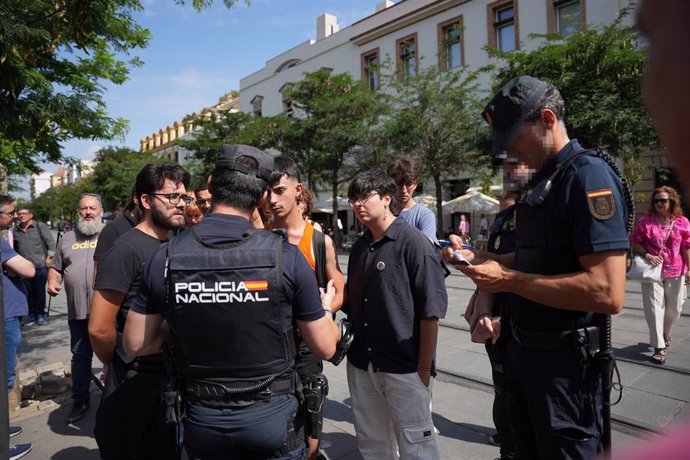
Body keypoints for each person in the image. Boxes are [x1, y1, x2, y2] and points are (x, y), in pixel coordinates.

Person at [445, 76, 630, 459]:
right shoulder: (543, 181)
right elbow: (539, 260)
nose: (508, 152)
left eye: (514, 138)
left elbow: (607, 292)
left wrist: (508, 279)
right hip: (525, 360)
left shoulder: (588, 177)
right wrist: (487, 262)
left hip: (564, 373)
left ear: (547, 119)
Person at [123, 144, 341, 459]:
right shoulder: (286, 257)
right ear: (263, 196)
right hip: (273, 418)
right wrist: (325, 309)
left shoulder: (166, 257)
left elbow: (134, 343)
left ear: (210, 185)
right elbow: (325, 347)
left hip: (203, 419)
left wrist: (186, 322)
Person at [88, 163, 191, 460]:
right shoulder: (126, 249)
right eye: (171, 197)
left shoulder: (178, 241)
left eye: (183, 197)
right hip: (134, 379)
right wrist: (119, 359)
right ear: (145, 201)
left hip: (171, 378)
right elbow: (98, 327)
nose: (180, 204)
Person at [344, 169, 448, 459]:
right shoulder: (360, 246)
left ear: (387, 199)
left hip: (405, 366)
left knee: (417, 447)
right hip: (363, 364)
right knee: (372, 444)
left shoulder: (413, 242)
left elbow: (432, 313)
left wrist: (424, 371)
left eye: (365, 197)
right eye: (353, 199)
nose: (357, 204)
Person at [269, 156, 345, 460]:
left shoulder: (318, 240)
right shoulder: (259, 235)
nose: (272, 199)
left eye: (279, 191)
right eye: (268, 192)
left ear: (297, 190)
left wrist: (323, 311)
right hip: (270, 346)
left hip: (306, 348)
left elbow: (338, 285)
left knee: (311, 417)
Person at [47, 193, 104, 423]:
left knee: (116, 356)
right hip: (78, 310)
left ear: (101, 210)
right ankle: (80, 400)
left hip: (108, 310)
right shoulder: (68, 238)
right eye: (83, 208)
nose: (88, 212)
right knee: (80, 357)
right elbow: (56, 268)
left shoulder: (112, 235)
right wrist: (52, 280)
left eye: (92, 208)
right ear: (78, 211)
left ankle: (118, 400)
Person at [630, 186, 690, 365]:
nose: (658, 204)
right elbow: (635, 242)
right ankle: (659, 347)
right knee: (654, 308)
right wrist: (647, 254)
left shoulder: (682, 222)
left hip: (676, 269)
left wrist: (689, 269)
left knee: (676, 308)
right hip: (651, 271)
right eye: (656, 200)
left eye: (663, 200)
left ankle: (664, 333)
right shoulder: (646, 222)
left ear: (672, 201)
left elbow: (687, 246)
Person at [1, 195, 35, 459]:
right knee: (5, 379)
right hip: (6, 318)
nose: (14, 217)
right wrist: (17, 266)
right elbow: (29, 269)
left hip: (10, 315)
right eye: (10, 213)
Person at [12, 207, 55, 326]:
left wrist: (49, 258)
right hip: (23, 268)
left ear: (30, 215)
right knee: (27, 292)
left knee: (39, 291)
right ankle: (31, 314)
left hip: (40, 265)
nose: (21, 215)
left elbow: (51, 243)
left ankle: (40, 314)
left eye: (24, 213)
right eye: (19, 213)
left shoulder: (39, 226)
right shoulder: (15, 230)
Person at [387, 157, 438, 243]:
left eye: (408, 184)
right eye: (399, 184)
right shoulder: (384, 213)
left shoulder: (425, 215)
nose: (404, 190)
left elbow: (427, 246)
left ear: (415, 184)